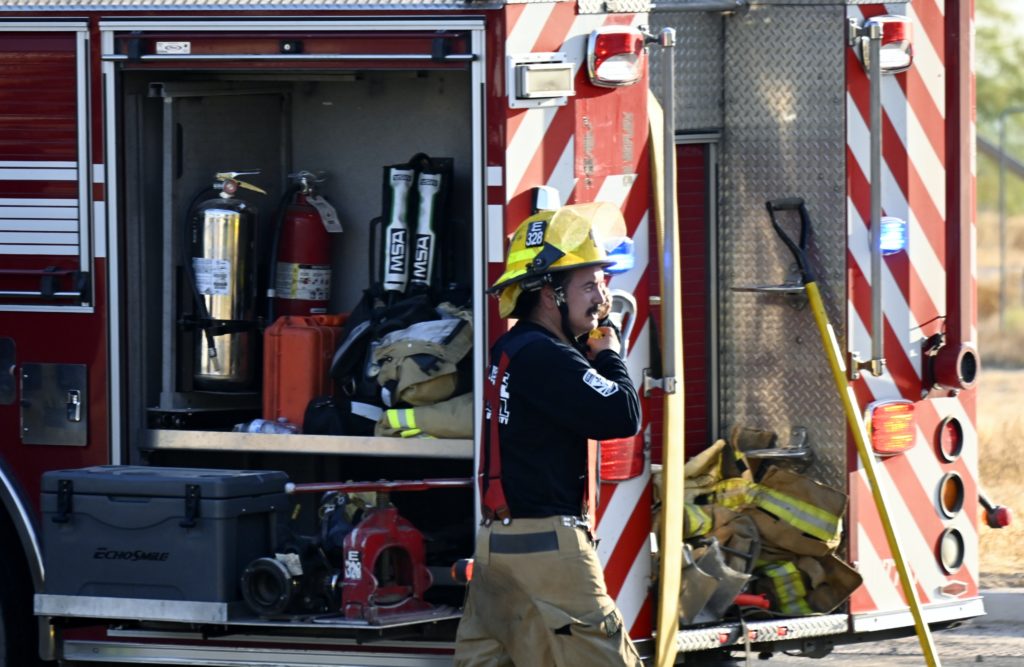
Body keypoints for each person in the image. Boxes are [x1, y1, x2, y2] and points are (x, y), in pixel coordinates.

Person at [454, 202, 643, 666]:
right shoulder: (546, 357)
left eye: (602, 282)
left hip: (498, 546)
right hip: (549, 552)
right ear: (547, 293)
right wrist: (610, 354)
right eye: (589, 285)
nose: (602, 296)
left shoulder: (513, 348)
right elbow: (622, 414)